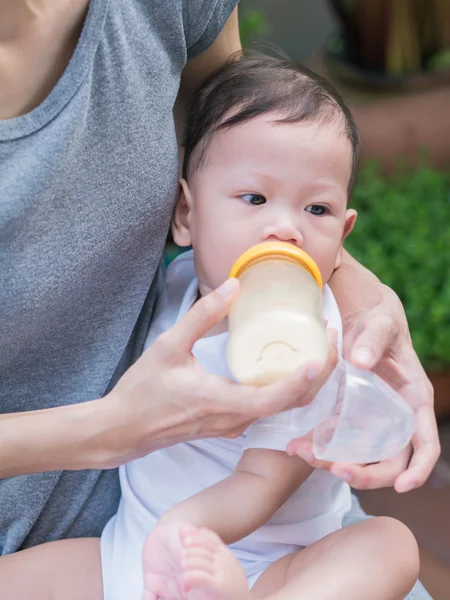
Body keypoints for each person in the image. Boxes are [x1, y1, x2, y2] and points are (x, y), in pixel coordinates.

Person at [0, 1, 438, 598]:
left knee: (388, 546)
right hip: (128, 546)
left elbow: (264, 480)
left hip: (265, 557)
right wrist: (159, 532)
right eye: (254, 199)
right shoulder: (183, 282)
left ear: (343, 236)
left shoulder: (313, 340)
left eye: (317, 210)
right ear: (184, 214)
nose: (285, 228)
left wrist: (189, 531)